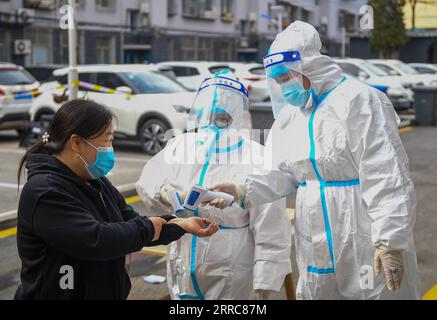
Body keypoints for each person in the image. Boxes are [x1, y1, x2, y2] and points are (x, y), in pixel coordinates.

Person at [208, 21, 420, 300]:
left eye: (287, 77)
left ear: (310, 67)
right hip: (314, 234)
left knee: (374, 291)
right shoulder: (290, 118)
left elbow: (385, 174)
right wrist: (242, 190)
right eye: (279, 80)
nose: (284, 87)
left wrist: (390, 241)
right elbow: (282, 174)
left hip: (362, 230)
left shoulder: (359, 100)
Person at [15, 99, 218, 300]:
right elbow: (96, 240)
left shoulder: (96, 181)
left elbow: (130, 220)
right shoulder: (45, 191)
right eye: (108, 140)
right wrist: (147, 228)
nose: (111, 148)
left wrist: (181, 224)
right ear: (76, 142)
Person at [136, 72, 292, 300]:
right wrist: (163, 192)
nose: (211, 122)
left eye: (221, 117)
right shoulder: (180, 146)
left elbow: (272, 231)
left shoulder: (257, 158)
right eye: (205, 114)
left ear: (238, 117)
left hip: (229, 271)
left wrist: (265, 284)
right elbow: (149, 177)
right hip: (181, 262)